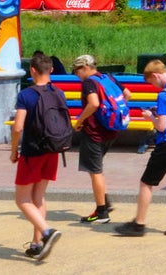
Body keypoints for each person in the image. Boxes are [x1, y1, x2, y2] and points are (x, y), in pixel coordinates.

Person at [115, 59, 166, 237]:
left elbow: (162, 126)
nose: (154, 86)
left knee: (146, 183)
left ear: (156, 75)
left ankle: (138, 224)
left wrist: (150, 116)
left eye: (152, 82)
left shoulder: (164, 95)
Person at [11, 52, 63, 260]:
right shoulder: (58, 92)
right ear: (51, 70)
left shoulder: (27, 95)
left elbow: (17, 128)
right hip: (53, 149)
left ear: (32, 70)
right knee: (38, 197)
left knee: (22, 199)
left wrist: (15, 150)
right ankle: (36, 243)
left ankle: (48, 232)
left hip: (33, 151)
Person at [71, 54, 129, 223]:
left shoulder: (89, 82)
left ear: (85, 67)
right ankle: (104, 201)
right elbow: (127, 94)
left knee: (95, 171)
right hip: (112, 131)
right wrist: (114, 114)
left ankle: (102, 211)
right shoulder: (108, 77)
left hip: (95, 132)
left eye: (76, 71)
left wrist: (79, 121)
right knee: (95, 168)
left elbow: (94, 103)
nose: (76, 75)